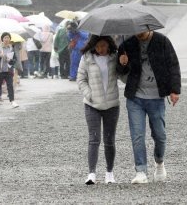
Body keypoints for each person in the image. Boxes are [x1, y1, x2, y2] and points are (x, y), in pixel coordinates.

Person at [117, 28, 181, 184]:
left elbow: (173, 65)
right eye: (136, 30)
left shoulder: (162, 41)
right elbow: (119, 72)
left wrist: (175, 90)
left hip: (156, 97)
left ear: (149, 27)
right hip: (135, 97)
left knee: (160, 135)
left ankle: (159, 162)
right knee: (137, 135)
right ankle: (141, 171)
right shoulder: (127, 44)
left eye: (142, 30)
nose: (139, 33)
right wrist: (122, 63)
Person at [76, 35, 120, 185]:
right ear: (94, 45)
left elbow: (125, 77)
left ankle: (109, 173)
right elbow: (80, 79)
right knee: (94, 139)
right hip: (92, 105)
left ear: (109, 45)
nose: (101, 49)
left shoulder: (115, 57)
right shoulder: (86, 58)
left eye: (104, 45)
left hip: (112, 105)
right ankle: (91, 174)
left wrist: (125, 64)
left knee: (109, 140)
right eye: (98, 46)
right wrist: (90, 95)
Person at [0, 32, 19, 109]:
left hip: (8, 70)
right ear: (2, 39)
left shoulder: (11, 48)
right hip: (0, 70)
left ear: (10, 39)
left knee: (10, 86)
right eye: (5, 38)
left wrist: (10, 60)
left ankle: (12, 101)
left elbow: (15, 60)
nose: (6, 39)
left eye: (8, 38)